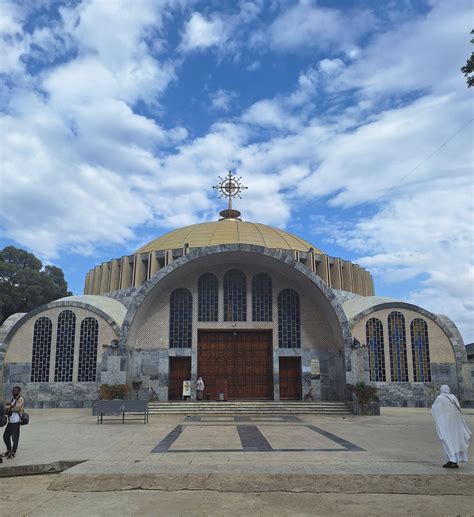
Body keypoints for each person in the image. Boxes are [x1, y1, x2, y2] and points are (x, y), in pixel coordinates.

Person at [431, 385, 471, 469]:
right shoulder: (453, 397)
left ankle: (451, 461)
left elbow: (435, 409)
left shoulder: (440, 398)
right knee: (455, 441)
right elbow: (459, 410)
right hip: (455, 424)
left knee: (447, 441)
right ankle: (455, 461)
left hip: (446, 425)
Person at [2, 386, 25, 459]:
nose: (14, 392)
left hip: (16, 421)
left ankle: (13, 452)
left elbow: (16, 408)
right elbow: (10, 406)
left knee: (15, 438)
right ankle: (9, 450)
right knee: (5, 436)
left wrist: (9, 407)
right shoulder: (13, 399)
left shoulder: (20, 399)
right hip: (10, 421)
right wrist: (9, 406)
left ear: (19, 392)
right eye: (13, 391)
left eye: (15, 391)